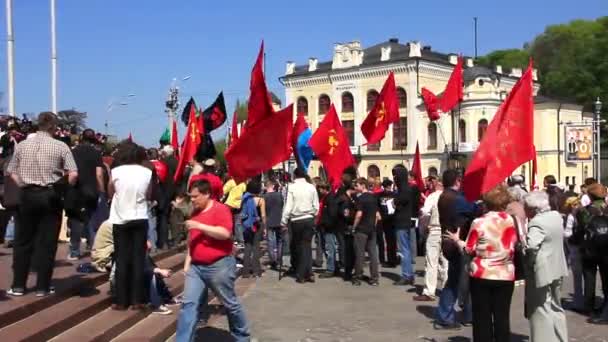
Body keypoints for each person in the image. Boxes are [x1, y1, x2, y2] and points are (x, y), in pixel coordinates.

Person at [6, 112, 78, 297]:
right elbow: (73, 174)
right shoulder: (61, 146)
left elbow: (10, 170)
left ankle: (18, 285)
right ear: (54, 127)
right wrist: (63, 188)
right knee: (47, 242)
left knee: (23, 241)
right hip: (50, 194)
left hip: (27, 194)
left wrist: (22, 184)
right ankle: (42, 286)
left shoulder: (22, 145)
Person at [175, 180, 250, 341]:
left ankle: (242, 336)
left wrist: (200, 226)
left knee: (230, 303)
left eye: (196, 196)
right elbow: (192, 240)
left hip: (219, 265)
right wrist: (188, 263)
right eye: (191, 197)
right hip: (196, 267)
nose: (193, 200)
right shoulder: (195, 212)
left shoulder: (220, 209)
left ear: (207, 194)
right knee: (189, 304)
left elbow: (224, 233)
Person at [445, 184, 517, 342]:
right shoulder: (510, 220)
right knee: (502, 317)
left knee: (481, 317)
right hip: (505, 273)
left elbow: (469, 249)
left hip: (482, 273)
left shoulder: (479, 222)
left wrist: (458, 241)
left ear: (485, 202)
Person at [108, 142, 152, 310]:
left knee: (121, 258)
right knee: (138, 258)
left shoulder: (116, 171)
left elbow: (110, 190)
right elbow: (148, 194)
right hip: (140, 217)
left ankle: (120, 300)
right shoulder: (147, 172)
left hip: (120, 218)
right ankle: (137, 300)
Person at [523, 191, 569, 341]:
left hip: (542, 270)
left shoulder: (537, 222)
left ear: (533, 208)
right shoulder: (556, 216)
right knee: (556, 306)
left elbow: (531, 246)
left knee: (540, 309)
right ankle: (560, 338)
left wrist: (522, 247)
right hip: (557, 266)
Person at [434, 169, 476, 330]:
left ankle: (465, 314)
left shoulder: (445, 195)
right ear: (458, 181)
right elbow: (473, 209)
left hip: (450, 241)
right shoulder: (456, 198)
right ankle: (445, 316)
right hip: (455, 242)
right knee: (455, 281)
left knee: (460, 280)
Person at [65, 129, 105, 260]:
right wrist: (101, 190)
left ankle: (74, 251)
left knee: (76, 221)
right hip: (91, 191)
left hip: (75, 190)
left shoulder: (72, 152)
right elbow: (99, 174)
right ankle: (95, 250)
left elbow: (68, 172)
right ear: (93, 140)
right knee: (92, 220)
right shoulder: (96, 153)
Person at [574, 183, 608, 324]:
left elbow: (580, 228)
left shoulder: (584, 211)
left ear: (590, 196)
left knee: (589, 276)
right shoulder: (606, 209)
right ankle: (606, 304)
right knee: (606, 276)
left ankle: (589, 305)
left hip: (589, 248)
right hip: (606, 247)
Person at [281, 167, 319, 284]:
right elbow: (316, 205)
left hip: (297, 219)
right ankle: (309, 272)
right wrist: (313, 214)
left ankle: (301, 274)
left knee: (299, 247)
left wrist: (283, 221)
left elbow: (288, 205)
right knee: (306, 245)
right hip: (309, 218)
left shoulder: (291, 187)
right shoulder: (311, 187)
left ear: (295, 175)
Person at [414, 181, 447, 301]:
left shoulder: (433, 196)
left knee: (431, 261)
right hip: (448, 232)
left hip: (435, 229)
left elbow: (425, 213)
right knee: (446, 262)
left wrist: (423, 230)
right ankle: (446, 289)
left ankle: (429, 291)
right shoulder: (453, 196)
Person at [352, 178, 381, 286]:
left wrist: (354, 227)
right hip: (371, 229)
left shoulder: (361, 199)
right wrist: (373, 225)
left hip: (361, 229)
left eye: (357, 185)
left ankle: (357, 277)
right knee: (373, 254)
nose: (355, 187)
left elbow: (359, 214)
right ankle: (374, 278)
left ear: (363, 185)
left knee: (360, 254)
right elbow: (377, 216)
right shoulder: (373, 197)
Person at [392, 166, 416, 286]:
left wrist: (395, 201)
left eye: (396, 176)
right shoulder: (404, 188)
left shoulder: (404, 190)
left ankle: (406, 275)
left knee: (403, 250)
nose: (394, 178)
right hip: (403, 221)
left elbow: (397, 202)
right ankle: (409, 274)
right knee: (405, 249)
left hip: (402, 222)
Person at [563, 196, 585, 312]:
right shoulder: (584, 214)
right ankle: (585, 300)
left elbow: (567, 234)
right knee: (584, 276)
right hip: (584, 247)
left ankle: (579, 301)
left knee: (578, 276)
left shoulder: (572, 216)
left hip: (576, 247)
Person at [241, 181, 265, 278]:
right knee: (256, 247)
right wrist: (265, 227)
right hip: (256, 224)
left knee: (247, 247)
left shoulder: (244, 198)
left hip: (246, 225)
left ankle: (245, 271)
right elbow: (263, 215)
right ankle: (256, 270)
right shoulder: (261, 200)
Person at [319, 183, 339, 278]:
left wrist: (326, 224)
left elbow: (332, 214)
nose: (319, 191)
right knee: (327, 247)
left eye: (320, 189)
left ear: (324, 189)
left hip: (329, 227)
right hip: (325, 226)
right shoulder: (326, 197)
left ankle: (331, 269)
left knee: (329, 248)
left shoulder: (330, 198)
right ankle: (334, 266)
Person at [263, 180, 284, 270]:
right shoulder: (279, 195)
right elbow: (282, 205)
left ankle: (273, 260)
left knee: (271, 241)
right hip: (279, 219)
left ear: (266, 187)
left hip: (269, 221)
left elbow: (263, 210)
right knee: (280, 240)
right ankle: (279, 258)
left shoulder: (264, 197)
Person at [377, 179, 397, 267]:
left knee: (390, 241)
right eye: (387, 186)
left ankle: (391, 260)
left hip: (391, 220)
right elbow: (377, 207)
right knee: (382, 240)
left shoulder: (394, 195)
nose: (389, 188)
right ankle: (384, 259)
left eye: (389, 186)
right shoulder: (379, 195)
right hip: (383, 220)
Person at [223, 177, 247, 247]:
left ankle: (230, 239)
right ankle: (239, 240)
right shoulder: (243, 183)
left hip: (229, 204)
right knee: (237, 223)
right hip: (238, 205)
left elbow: (223, 191)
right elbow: (244, 191)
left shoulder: (231, 182)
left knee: (228, 222)